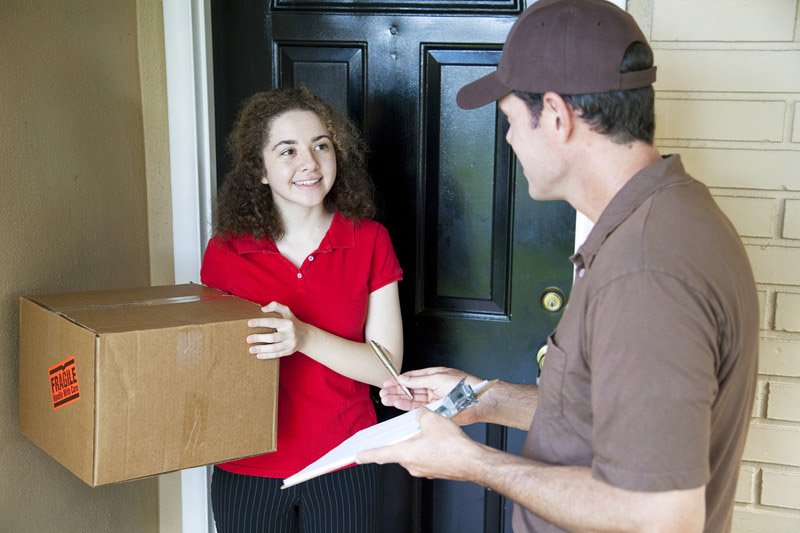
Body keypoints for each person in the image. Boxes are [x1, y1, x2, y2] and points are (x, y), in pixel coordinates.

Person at [358, 1, 758, 531]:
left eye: (509, 121)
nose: (507, 140)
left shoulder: (645, 270)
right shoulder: (670, 216)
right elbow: (605, 413)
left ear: (555, 115)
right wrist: (486, 399)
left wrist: (472, 462)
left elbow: (660, 517)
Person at [201, 86, 404, 532]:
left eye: (321, 146)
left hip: (345, 459)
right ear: (260, 170)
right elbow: (211, 365)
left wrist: (303, 336)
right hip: (247, 465)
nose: (309, 163)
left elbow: (387, 370)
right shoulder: (225, 251)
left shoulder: (369, 240)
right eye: (287, 150)